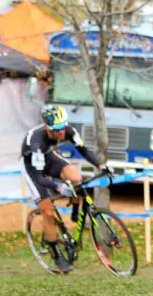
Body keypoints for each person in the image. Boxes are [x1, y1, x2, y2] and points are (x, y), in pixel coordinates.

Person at [21, 105, 107, 273]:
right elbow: (39, 177)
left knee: (76, 179)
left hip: (49, 157)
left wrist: (101, 165)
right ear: (46, 127)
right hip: (32, 167)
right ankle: (55, 254)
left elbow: (83, 150)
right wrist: (58, 187)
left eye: (62, 128)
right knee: (48, 212)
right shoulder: (37, 141)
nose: (61, 133)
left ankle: (76, 213)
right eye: (56, 130)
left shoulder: (67, 130)